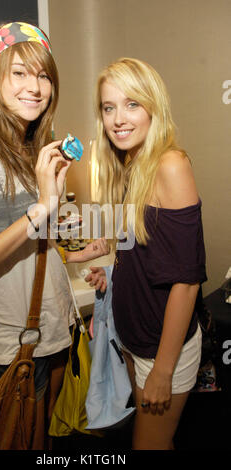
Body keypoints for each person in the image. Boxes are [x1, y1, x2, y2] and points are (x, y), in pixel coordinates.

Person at [0, 21, 108, 448]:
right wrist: (40, 210)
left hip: (56, 335)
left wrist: (78, 253)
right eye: (20, 73)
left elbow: (31, 248)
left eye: (44, 75)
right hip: (17, 351)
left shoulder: (30, 145)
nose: (35, 86)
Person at [86, 57, 207, 450]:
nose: (118, 118)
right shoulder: (129, 162)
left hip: (162, 349)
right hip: (134, 337)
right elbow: (138, 245)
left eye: (132, 104)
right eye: (109, 107)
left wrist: (164, 370)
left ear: (153, 105)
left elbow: (186, 282)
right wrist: (114, 276)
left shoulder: (170, 165)